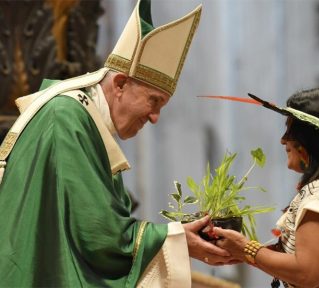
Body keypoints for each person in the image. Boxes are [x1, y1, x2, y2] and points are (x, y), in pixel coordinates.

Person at [0, 0, 234, 287]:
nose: (156, 117)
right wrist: (175, 240)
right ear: (121, 84)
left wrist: (176, 238)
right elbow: (100, 237)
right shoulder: (67, 118)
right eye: (154, 101)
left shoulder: (83, 120)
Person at [212, 88, 319, 287]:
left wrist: (245, 249)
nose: (283, 139)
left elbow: (307, 273)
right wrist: (244, 251)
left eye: (291, 130)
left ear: (312, 140)